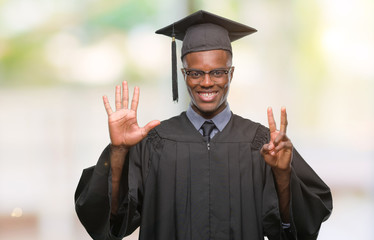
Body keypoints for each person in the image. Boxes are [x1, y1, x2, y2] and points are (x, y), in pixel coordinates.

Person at [75, 10, 332, 240]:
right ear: (184, 73)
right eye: (195, 73)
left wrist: (283, 176)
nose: (207, 82)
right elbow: (111, 223)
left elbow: (298, 230)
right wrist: (118, 151)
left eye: (218, 72)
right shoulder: (155, 143)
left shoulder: (263, 143)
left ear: (231, 73)